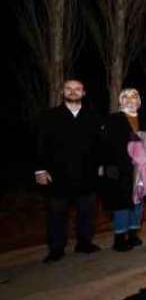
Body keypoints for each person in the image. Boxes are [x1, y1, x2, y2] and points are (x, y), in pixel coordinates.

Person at [35, 79, 101, 263]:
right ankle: (56, 249)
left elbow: (100, 145)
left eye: (77, 89)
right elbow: (40, 144)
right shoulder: (49, 116)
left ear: (84, 93)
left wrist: (102, 166)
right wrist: (40, 170)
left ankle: (84, 243)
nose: (73, 92)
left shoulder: (93, 116)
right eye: (69, 89)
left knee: (86, 211)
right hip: (58, 175)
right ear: (62, 92)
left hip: (87, 174)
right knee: (56, 213)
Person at [100, 88, 146, 251]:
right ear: (121, 101)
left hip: (142, 169)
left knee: (138, 202)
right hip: (119, 168)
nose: (131, 99)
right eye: (126, 97)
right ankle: (119, 239)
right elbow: (103, 144)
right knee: (121, 203)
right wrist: (105, 166)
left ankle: (133, 234)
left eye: (134, 96)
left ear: (139, 101)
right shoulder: (113, 119)